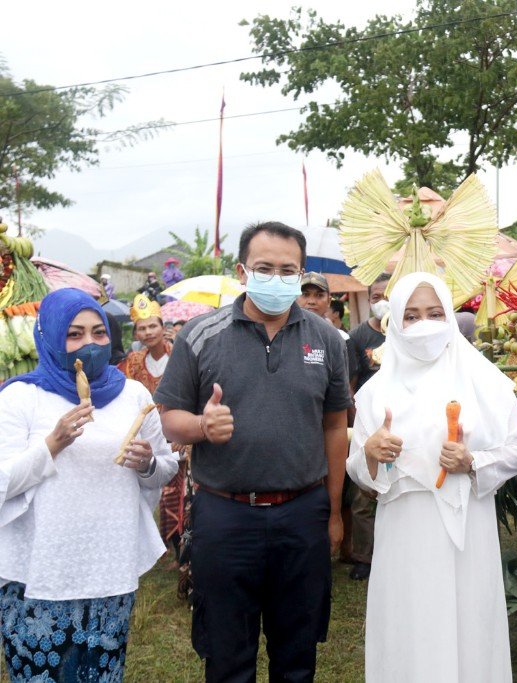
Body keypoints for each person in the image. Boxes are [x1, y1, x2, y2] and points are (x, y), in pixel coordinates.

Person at [155, 222, 351, 682]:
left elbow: (335, 424)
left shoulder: (324, 339)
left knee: (298, 653)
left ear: (301, 274)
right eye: (265, 268)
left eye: (288, 270)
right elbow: (169, 418)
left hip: (302, 512)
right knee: (226, 654)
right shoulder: (201, 334)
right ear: (243, 271)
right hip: (226, 516)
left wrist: (335, 511)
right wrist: (203, 425)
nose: (277, 278)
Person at [347, 272, 517, 682]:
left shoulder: (485, 381)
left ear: (450, 315)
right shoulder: (375, 392)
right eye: (411, 316)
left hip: (467, 526)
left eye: (434, 313)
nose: (424, 324)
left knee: (469, 624)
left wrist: (473, 461)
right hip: (404, 530)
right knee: (409, 626)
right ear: (394, 320)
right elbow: (357, 466)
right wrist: (373, 454)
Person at [0, 289, 177, 682]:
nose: (90, 344)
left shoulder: (132, 394)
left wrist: (147, 463)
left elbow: (165, 466)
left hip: (106, 569)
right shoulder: (20, 397)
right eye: (75, 334)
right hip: (38, 574)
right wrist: (52, 444)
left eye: (99, 333)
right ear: (49, 335)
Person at [118, 295, 187, 564]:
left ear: (163, 326)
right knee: (146, 493)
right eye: (142, 328)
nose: (148, 332)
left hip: (177, 435)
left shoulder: (180, 356)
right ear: (136, 332)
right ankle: (147, 545)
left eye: (152, 326)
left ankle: (181, 549)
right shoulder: (133, 362)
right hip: (147, 437)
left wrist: (185, 436)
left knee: (175, 495)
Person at [345, 273, 390, 581]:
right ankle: (364, 557)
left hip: (402, 421)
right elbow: (349, 386)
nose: (382, 302)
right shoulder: (358, 337)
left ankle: (394, 555)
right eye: (376, 297)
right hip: (368, 420)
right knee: (364, 495)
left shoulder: (406, 332)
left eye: (388, 295)